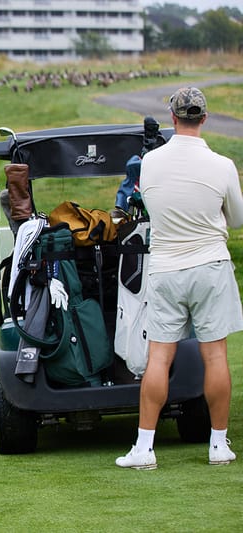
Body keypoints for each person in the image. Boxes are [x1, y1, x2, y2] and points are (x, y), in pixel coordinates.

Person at [115, 87, 243, 469]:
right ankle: (217, 444)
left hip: (167, 268)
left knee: (158, 357)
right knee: (215, 355)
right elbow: (236, 219)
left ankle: (144, 448)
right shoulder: (222, 165)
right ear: (204, 118)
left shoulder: (150, 163)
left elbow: (146, 205)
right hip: (210, 266)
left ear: (173, 119)